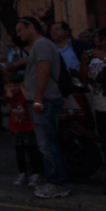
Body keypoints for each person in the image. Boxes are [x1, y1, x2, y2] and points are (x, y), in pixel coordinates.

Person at [15, 17, 71, 199]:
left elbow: (44, 71)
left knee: (47, 144)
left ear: (31, 27)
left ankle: (58, 184)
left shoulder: (41, 45)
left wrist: (38, 99)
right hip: (42, 99)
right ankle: (53, 182)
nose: (19, 34)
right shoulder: (41, 46)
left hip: (45, 100)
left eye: (20, 30)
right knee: (46, 143)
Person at [82, 25, 106, 196]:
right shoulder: (98, 60)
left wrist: (105, 58)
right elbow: (88, 78)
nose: (103, 43)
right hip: (101, 108)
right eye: (101, 40)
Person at [5, 71, 43, 187]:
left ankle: (35, 174)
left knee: (32, 152)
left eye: (15, 86)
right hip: (16, 127)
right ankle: (22, 173)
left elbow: (29, 99)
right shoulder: (11, 95)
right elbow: (9, 96)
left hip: (28, 127)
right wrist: (8, 88)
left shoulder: (25, 94)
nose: (13, 88)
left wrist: (22, 87)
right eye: (10, 86)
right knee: (19, 152)